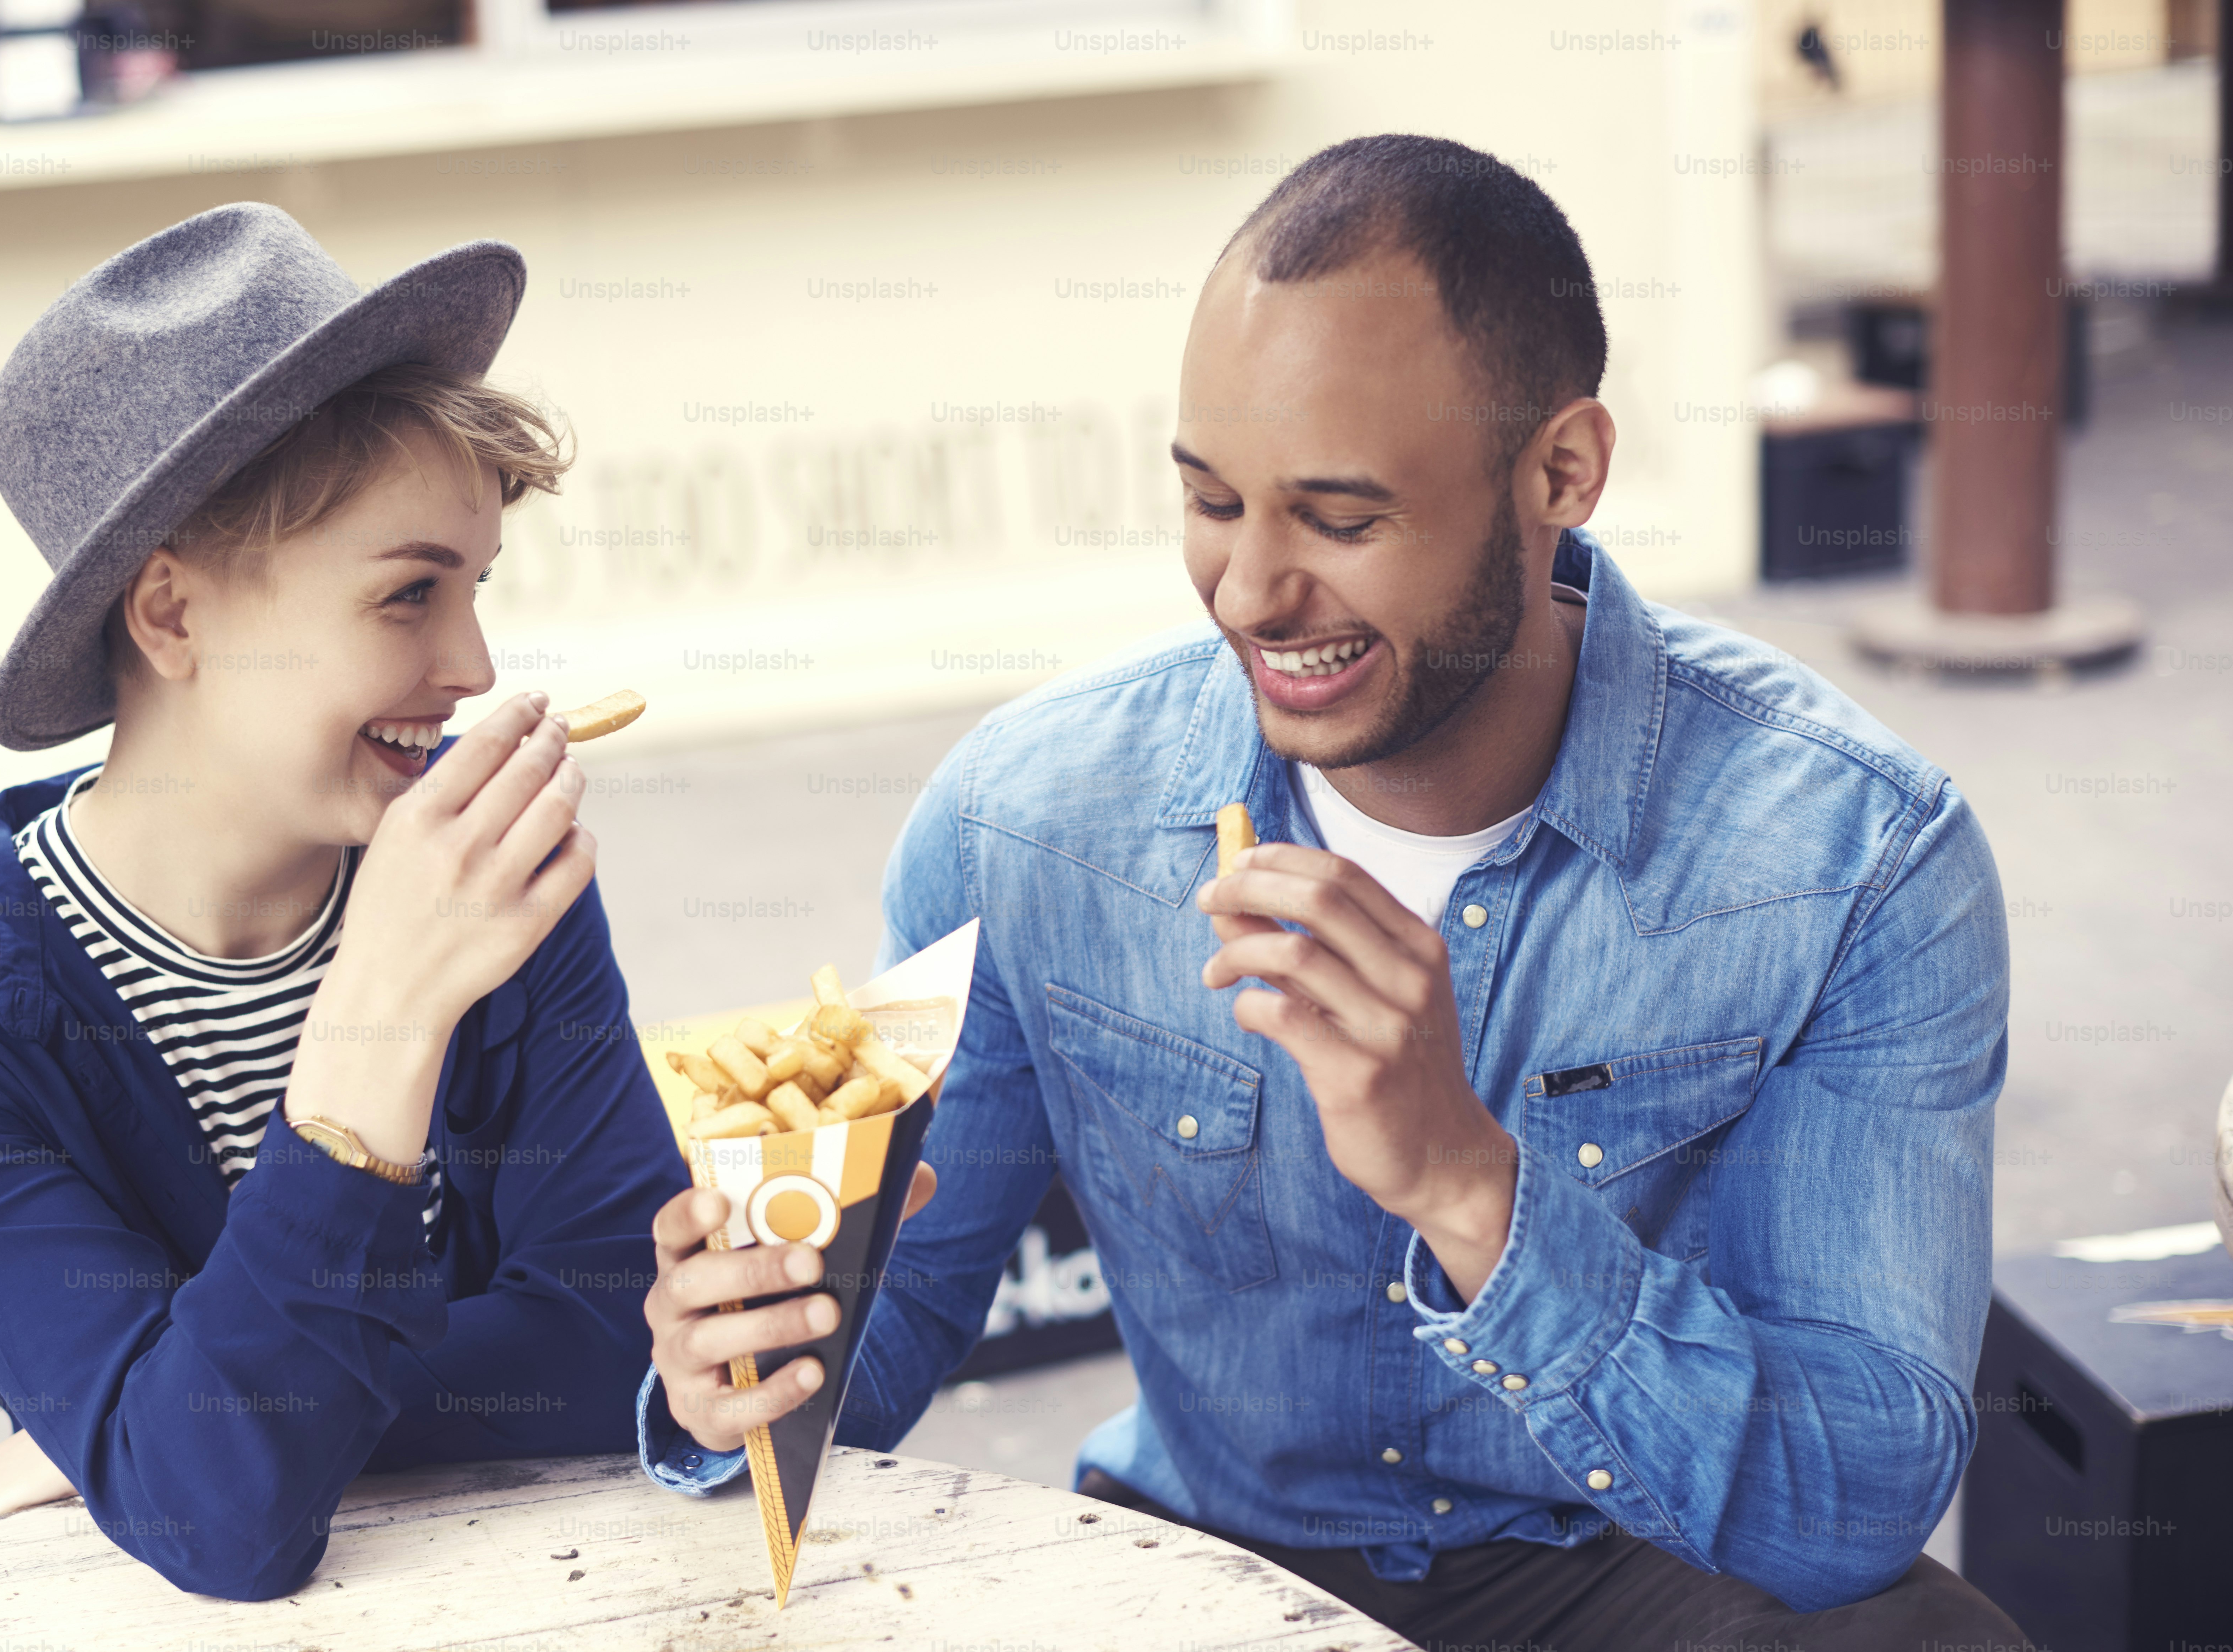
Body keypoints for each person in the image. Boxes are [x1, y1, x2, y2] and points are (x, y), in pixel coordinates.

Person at [636, 135, 2034, 1647]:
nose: (1246, 592)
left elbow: (1850, 1499)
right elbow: (884, 1335)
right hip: (1209, 1567)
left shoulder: (1853, 857)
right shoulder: (1020, 823)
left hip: (1637, 1558)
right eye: (1211, 502)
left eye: (1340, 519)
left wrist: (1469, 1188)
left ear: (1560, 470)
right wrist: (742, 1364)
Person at [0, 204, 683, 1601]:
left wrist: (121, 1434)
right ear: (171, 618)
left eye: (475, 588)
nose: (475, 663)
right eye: (408, 595)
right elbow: (225, 1530)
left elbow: (621, 1338)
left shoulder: (484, 854)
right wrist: (382, 1018)